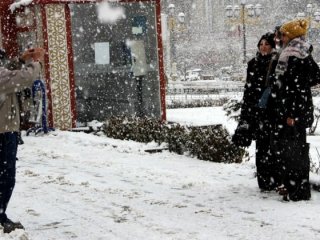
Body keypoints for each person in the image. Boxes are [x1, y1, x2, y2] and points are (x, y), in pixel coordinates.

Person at [267, 18, 320, 201]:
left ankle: (297, 190)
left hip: (294, 111)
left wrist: (293, 114)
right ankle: (292, 186)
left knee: (294, 151)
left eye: (283, 34)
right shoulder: (296, 52)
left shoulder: (297, 54)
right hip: (291, 108)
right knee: (290, 149)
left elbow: (297, 86)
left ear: (291, 35)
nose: (280, 37)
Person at [0, 47, 44, 233]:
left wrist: (20, 60)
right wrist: (37, 62)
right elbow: (21, 79)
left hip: (5, 130)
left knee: (5, 176)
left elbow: (8, 75)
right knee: (6, 176)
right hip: (3, 132)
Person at [232, 32, 281, 191]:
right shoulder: (253, 63)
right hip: (256, 111)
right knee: (261, 148)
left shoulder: (277, 62)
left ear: (272, 46)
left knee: (272, 146)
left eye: (266, 44)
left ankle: (274, 179)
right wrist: (246, 112)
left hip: (271, 111)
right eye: (261, 44)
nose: (263, 47)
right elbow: (249, 88)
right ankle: (264, 181)